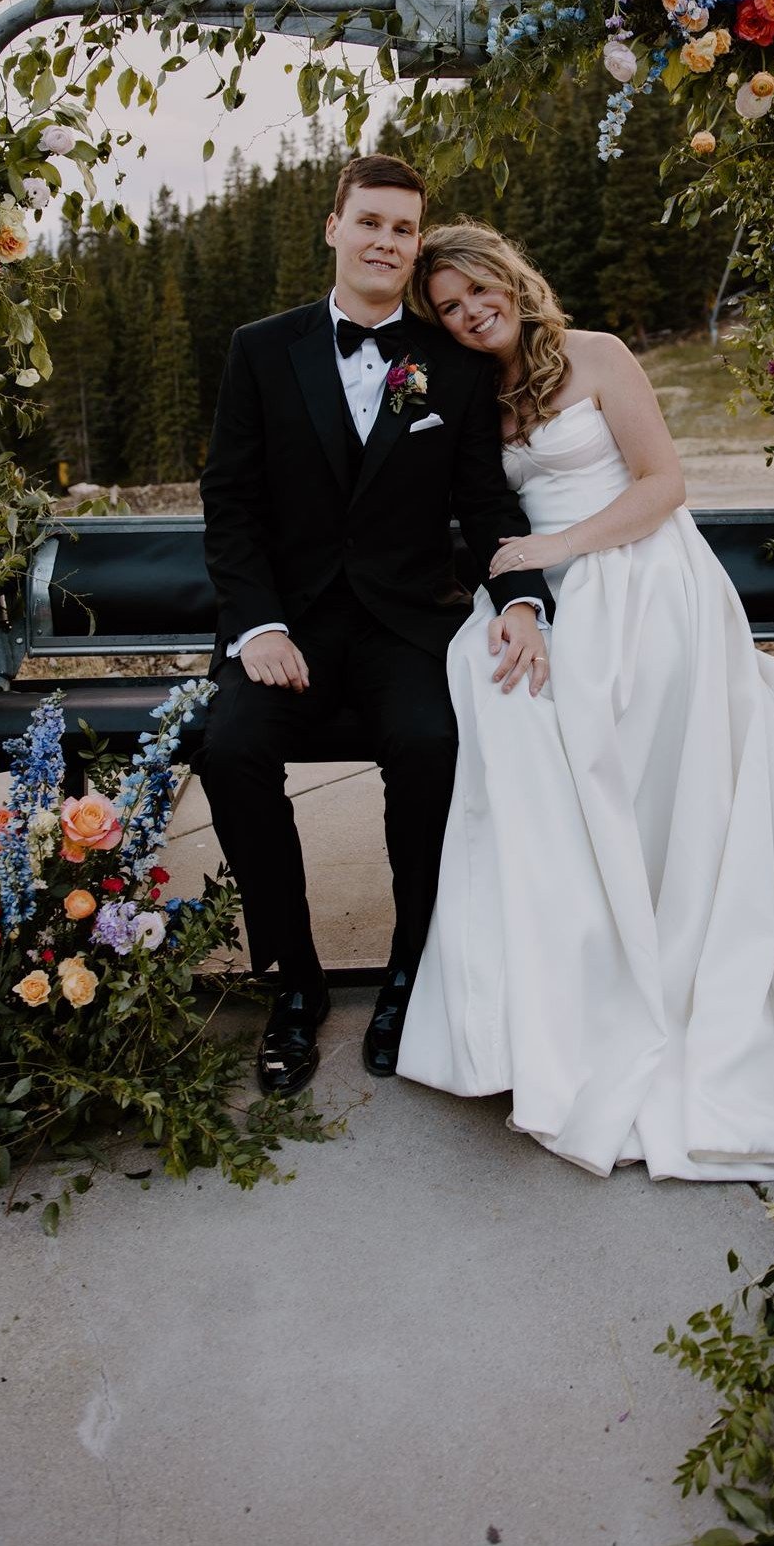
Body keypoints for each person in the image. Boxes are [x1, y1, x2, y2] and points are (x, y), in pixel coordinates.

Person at [396, 222, 774, 1181]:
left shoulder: (596, 355)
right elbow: (482, 510)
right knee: (502, 699)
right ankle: (554, 991)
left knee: (596, 701)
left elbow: (664, 484)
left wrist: (555, 550)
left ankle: (658, 949)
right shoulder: (465, 391)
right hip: (543, 589)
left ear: (512, 276)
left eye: (478, 292)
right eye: (450, 309)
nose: (470, 314)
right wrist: (523, 585)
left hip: (644, 570)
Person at [198, 161, 553, 1096]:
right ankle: (297, 982)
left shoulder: (456, 368)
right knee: (230, 749)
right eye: (371, 222)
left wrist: (522, 598)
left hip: (404, 628)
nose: (387, 242)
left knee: (433, 742)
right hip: (290, 630)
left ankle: (410, 973)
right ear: (334, 228)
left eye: (404, 228)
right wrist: (259, 626)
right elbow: (230, 507)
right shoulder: (260, 351)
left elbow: (484, 505)